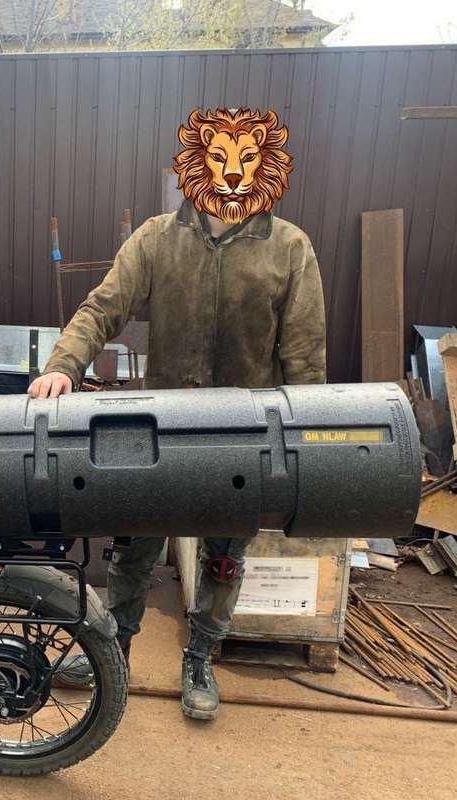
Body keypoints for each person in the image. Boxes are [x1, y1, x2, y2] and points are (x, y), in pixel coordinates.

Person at [31, 181, 326, 719]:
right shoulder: (157, 239)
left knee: (224, 557)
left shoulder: (289, 248)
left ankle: (199, 658)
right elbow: (102, 307)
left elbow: (305, 350)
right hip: (161, 430)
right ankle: (113, 651)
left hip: (242, 435)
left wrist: (307, 434)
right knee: (133, 546)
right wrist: (63, 365)